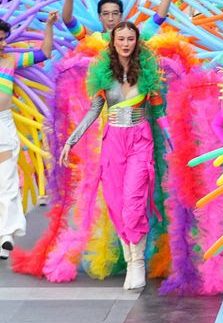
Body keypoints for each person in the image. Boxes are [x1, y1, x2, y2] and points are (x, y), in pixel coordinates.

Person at [58, 21, 168, 290]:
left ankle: (138, 262)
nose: (126, 43)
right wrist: (71, 141)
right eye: (122, 39)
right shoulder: (103, 74)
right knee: (117, 204)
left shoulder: (148, 73)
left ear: (137, 41)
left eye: (131, 38)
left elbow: (159, 114)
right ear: (114, 41)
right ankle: (130, 259)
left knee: (133, 202)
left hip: (140, 141)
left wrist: (173, 142)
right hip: (114, 142)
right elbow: (93, 111)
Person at [0, 12, 57, 260]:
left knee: (7, 181)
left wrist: (49, 27)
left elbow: (44, 53)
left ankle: (6, 236)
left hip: (3, 126)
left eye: (3, 38)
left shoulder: (10, 60)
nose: (2, 43)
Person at [62, 0, 172, 40]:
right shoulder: (93, 38)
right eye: (106, 14)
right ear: (100, 17)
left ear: (120, 16)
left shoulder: (134, 36)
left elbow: (159, 17)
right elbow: (68, 21)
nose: (110, 18)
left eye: (115, 14)